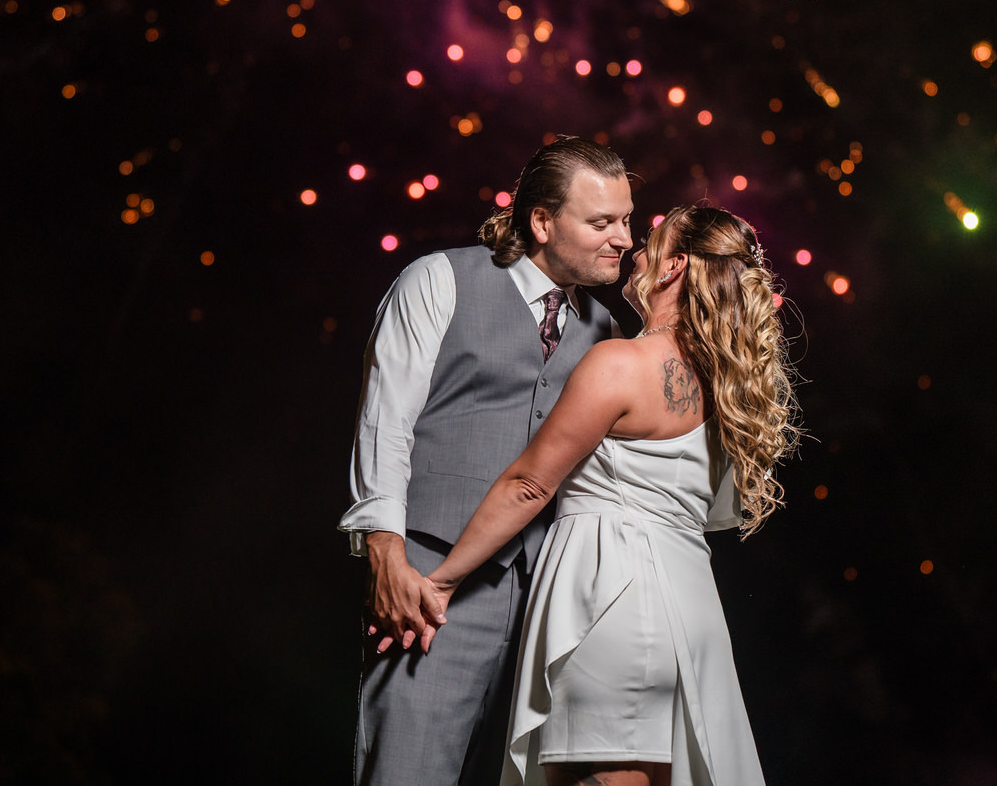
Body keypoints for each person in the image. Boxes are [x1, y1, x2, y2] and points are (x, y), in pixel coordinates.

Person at [418, 204, 802, 786]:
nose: (633, 248)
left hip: (611, 600)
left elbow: (530, 482)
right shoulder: (725, 385)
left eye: (649, 240)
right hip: (688, 609)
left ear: (674, 268)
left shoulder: (620, 362)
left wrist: (441, 580)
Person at [339, 136, 634, 786]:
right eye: (602, 222)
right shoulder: (438, 279)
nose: (624, 239)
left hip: (553, 601)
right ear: (542, 221)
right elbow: (384, 425)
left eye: (627, 219)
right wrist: (386, 553)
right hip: (432, 584)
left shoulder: (609, 334)